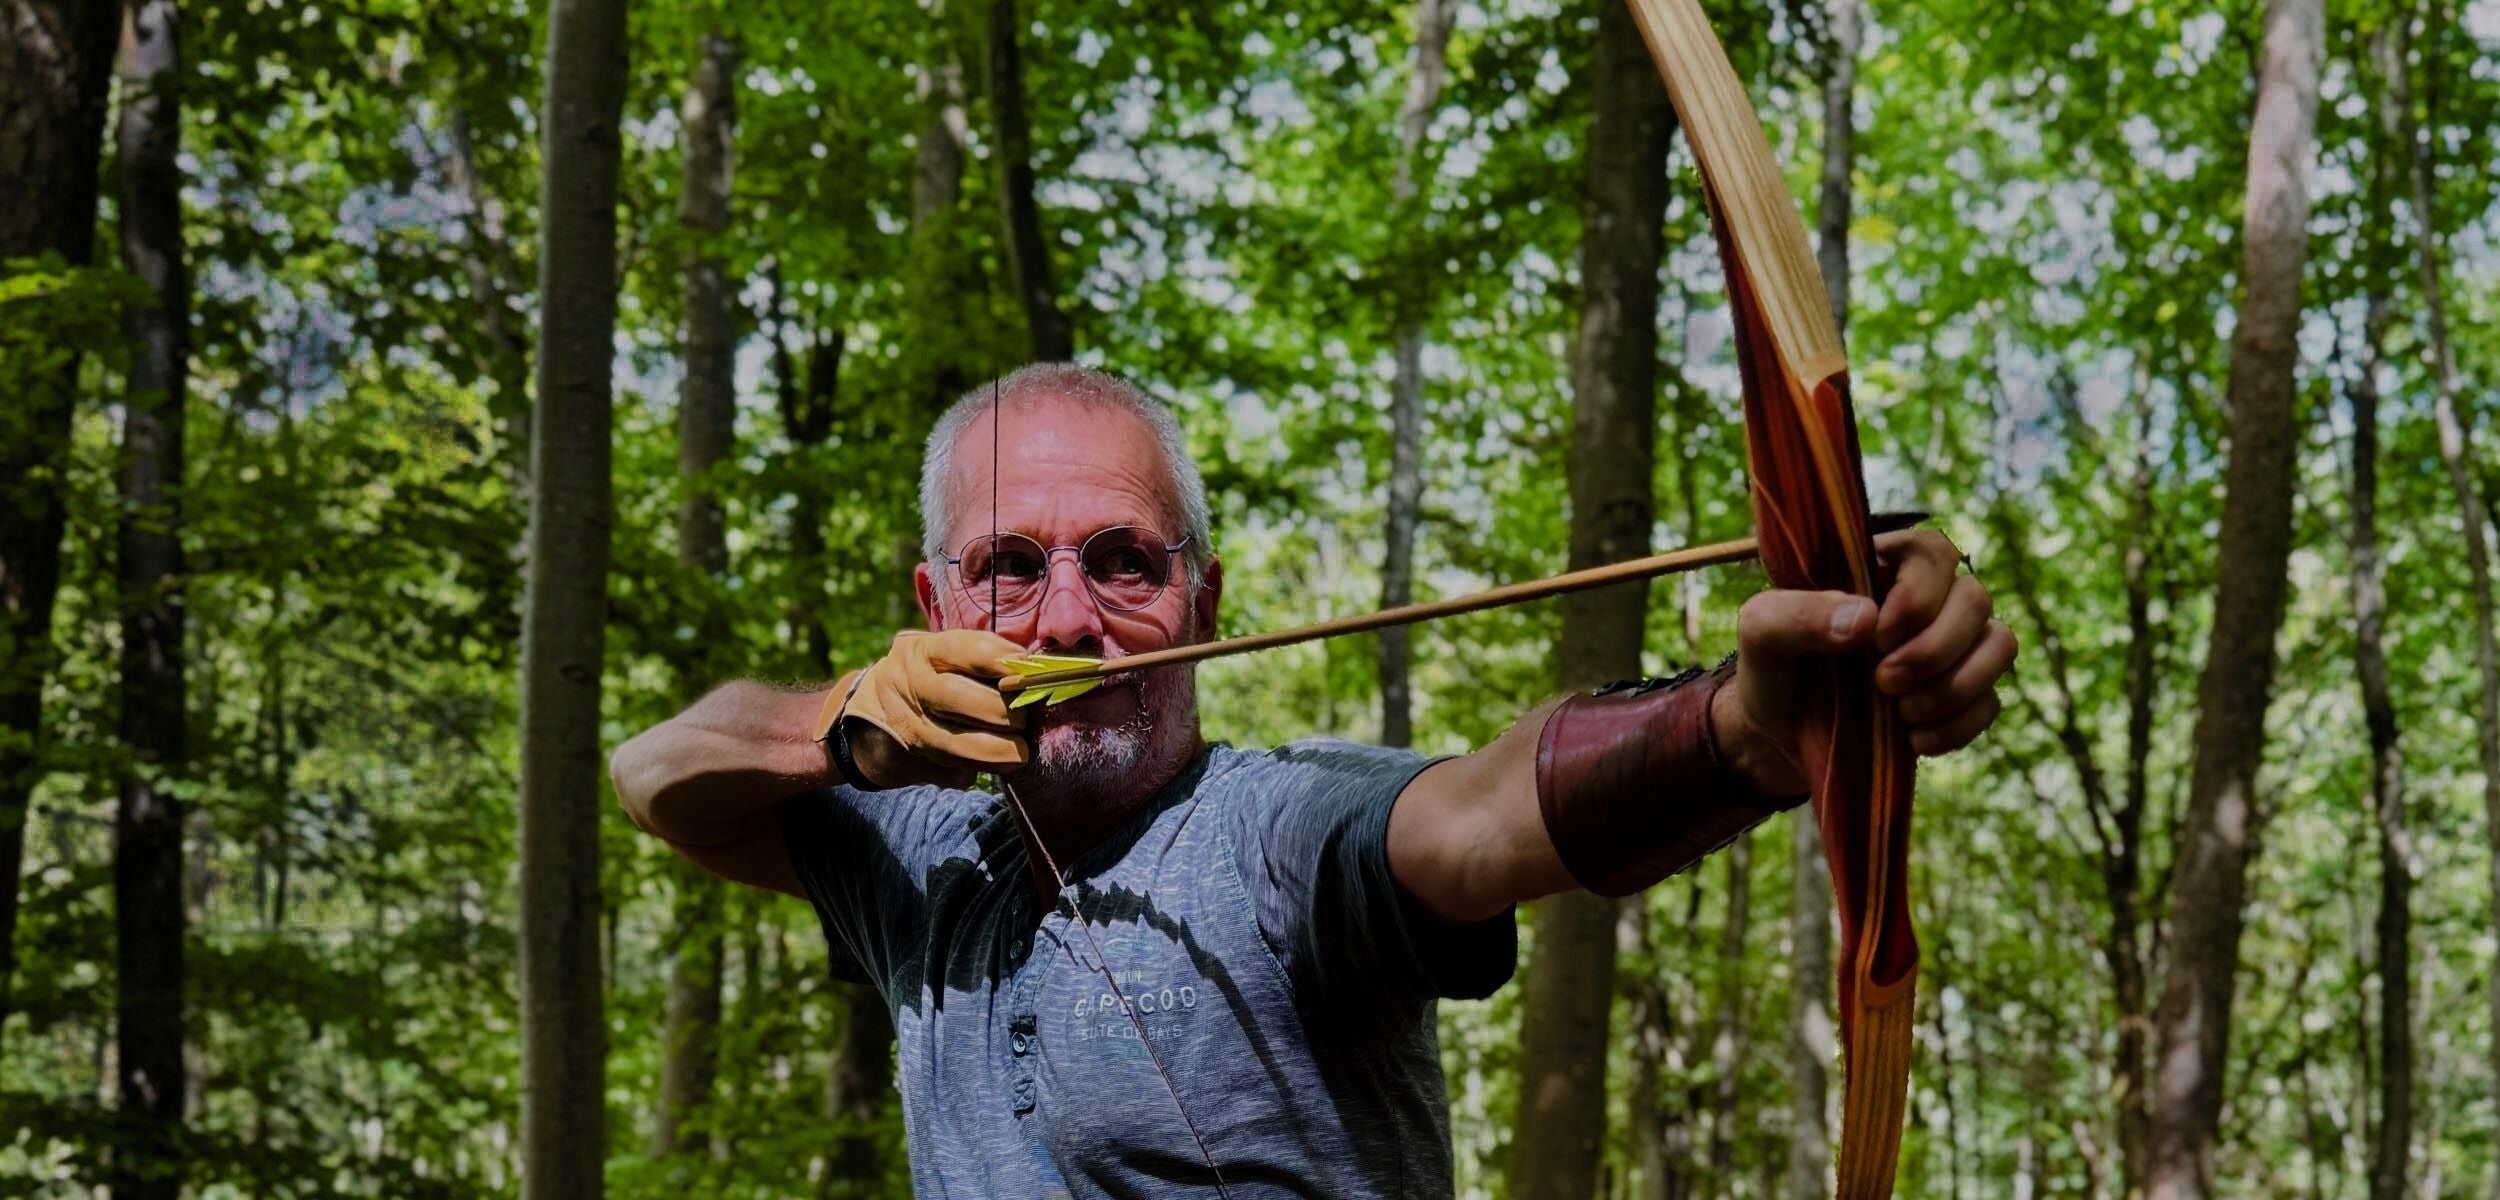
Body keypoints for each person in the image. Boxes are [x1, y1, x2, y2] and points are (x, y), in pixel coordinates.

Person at [609, 363, 2015, 1199]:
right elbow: (656, 771)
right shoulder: (917, 857)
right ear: (933, 605)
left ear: (1205, 602)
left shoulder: (1274, 831)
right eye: (1009, 568)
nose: (1067, 619)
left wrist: (1749, 733)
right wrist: (841, 723)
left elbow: (1472, 822)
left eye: (1124, 561)